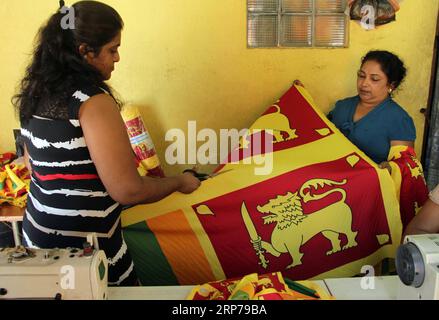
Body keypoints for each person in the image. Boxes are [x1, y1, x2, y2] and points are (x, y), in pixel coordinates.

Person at [12, 1, 200, 286]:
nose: (118, 58)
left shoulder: (37, 90)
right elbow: (128, 190)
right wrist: (180, 182)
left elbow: (34, 163)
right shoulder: (92, 102)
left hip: (38, 237)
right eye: (112, 49)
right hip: (88, 253)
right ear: (85, 52)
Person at [326, 50, 416, 169]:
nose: (364, 84)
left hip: (371, 184)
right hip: (333, 180)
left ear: (391, 85)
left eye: (374, 79)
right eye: (361, 76)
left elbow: (405, 165)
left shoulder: (399, 119)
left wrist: (391, 168)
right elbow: (320, 132)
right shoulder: (342, 106)